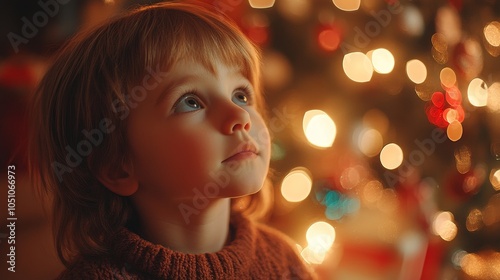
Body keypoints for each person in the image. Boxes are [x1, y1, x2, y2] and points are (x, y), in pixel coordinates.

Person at [30, 1, 316, 279]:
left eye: (240, 95)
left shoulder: (283, 261)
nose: (239, 115)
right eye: (190, 101)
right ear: (117, 165)